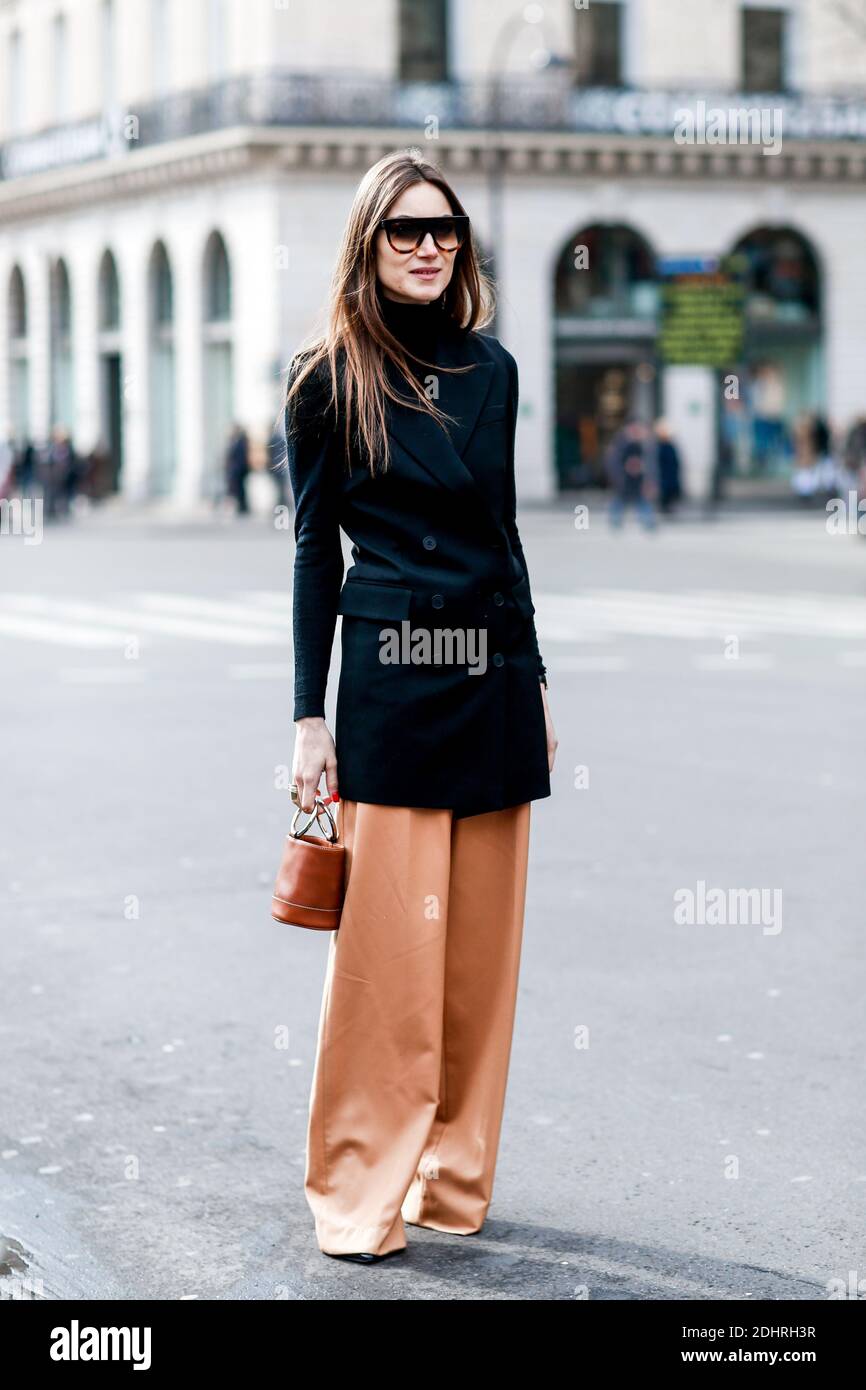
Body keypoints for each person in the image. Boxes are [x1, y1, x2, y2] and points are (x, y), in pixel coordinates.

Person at [284, 148, 557, 1265]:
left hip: (489, 673)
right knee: (386, 963)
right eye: (404, 229)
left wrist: (534, 676)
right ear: (367, 243)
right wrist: (310, 715)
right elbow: (312, 554)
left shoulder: (491, 370)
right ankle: (359, 1184)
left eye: (443, 229)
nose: (429, 245)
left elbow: (502, 532)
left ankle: (452, 1173)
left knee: (478, 962)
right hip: (391, 676)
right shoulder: (325, 375)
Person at [604, 418, 657, 529]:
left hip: (635, 481)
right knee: (623, 500)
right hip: (626, 480)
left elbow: (648, 465)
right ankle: (616, 521)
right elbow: (614, 463)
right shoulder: (622, 444)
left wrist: (649, 480)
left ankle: (647, 522)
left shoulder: (640, 444)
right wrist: (619, 477)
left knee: (638, 500)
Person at [225, 424, 250, 514]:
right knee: (239, 488)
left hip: (240, 469)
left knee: (241, 488)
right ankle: (241, 506)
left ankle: (243, 506)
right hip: (237, 469)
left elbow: (241, 456)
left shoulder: (242, 441)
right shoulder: (235, 440)